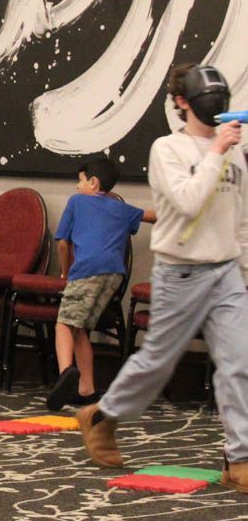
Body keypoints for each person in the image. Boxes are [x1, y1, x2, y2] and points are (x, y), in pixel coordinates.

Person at [77, 62, 248, 490]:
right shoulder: (166, 150)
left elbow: (239, 215)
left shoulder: (235, 149)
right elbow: (189, 202)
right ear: (182, 103)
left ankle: (239, 456)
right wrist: (215, 152)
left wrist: (243, 269)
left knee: (239, 362)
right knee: (157, 364)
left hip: (225, 270)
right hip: (181, 271)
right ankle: (101, 415)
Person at [45, 155, 155, 409]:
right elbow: (152, 216)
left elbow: (62, 242)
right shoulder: (121, 207)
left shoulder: (77, 202)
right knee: (79, 327)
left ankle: (65, 374)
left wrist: (65, 272)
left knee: (63, 324)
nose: (77, 186)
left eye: (80, 180)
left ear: (93, 183)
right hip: (114, 275)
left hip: (86, 271)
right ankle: (87, 389)